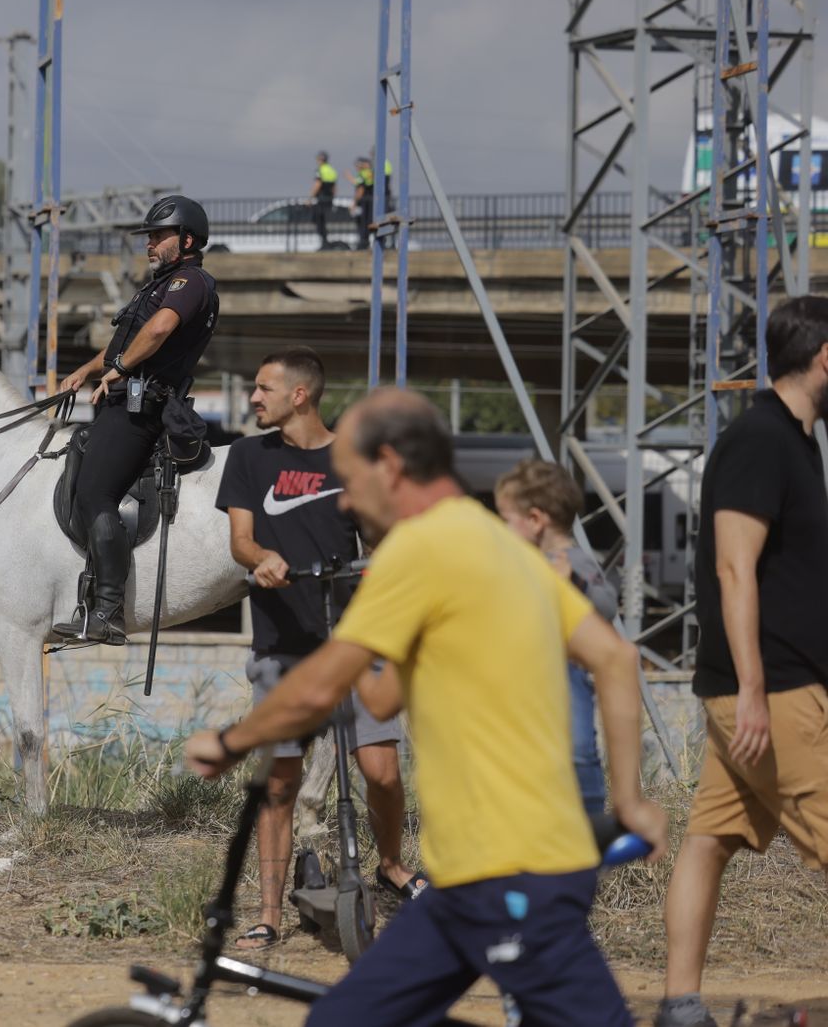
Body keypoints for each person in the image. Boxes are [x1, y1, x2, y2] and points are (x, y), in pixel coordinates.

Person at [183, 388, 666, 1027]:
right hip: (461, 882)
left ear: (389, 465)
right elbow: (616, 659)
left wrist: (230, 742)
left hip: (513, 869)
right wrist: (629, 800)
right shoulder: (490, 540)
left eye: (350, 481)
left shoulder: (421, 548)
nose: (345, 501)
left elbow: (320, 687)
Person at [215, 347, 425, 951]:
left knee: (381, 772)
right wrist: (264, 558)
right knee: (280, 783)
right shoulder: (249, 457)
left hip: (356, 638)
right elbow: (240, 540)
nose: (254, 398)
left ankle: (390, 866)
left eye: (264, 388)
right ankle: (269, 913)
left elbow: (382, 536)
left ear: (299, 395)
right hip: (282, 643)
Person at [657, 296, 828, 1027]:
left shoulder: (797, 440)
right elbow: (734, 567)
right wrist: (754, 688)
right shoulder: (760, 439)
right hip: (773, 691)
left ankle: (679, 1004)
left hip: (763, 689)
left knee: (709, 840)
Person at [51, 195, 220, 644]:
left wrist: (121, 368)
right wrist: (87, 370)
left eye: (159, 236)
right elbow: (123, 346)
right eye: (149, 236)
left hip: (142, 409)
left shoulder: (190, 282)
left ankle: (107, 611)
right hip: (122, 400)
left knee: (94, 492)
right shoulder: (157, 286)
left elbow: (158, 330)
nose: (150, 244)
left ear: (187, 240)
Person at [495, 459, 614, 817]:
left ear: (535, 520)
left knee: (577, 750)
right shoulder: (515, 561)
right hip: (519, 691)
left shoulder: (574, 561)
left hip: (563, 679)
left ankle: (587, 811)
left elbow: (607, 605)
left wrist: (572, 582)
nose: (501, 528)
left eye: (506, 519)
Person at [310, 150, 339, 249]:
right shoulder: (332, 170)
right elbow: (334, 187)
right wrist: (333, 198)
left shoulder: (320, 170)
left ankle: (324, 242)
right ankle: (325, 242)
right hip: (329, 199)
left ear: (320, 159)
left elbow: (318, 184)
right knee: (324, 220)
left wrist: (310, 198)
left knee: (318, 219)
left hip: (321, 198)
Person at [346, 156, 376, 249]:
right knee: (370, 221)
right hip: (371, 202)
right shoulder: (370, 173)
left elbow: (360, 189)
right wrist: (350, 178)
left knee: (362, 223)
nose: (356, 167)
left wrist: (354, 204)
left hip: (364, 202)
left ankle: (363, 242)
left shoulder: (362, 174)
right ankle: (368, 241)